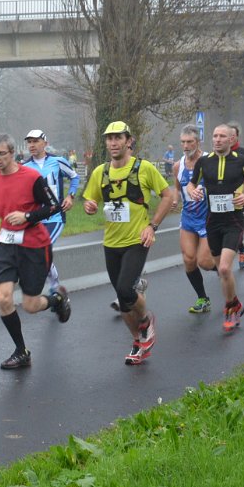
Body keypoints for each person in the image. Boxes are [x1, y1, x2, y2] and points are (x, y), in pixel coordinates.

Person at [0, 134, 71, 369]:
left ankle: (57, 299)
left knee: (30, 305)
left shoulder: (31, 177)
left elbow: (53, 206)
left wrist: (27, 216)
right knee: (3, 297)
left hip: (34, 246)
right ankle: (21, 351)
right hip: (6, 245)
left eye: (1, 154)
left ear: (13, 153)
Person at [82, 121, 176, 364]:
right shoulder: (100, 172)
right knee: (124, 302)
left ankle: (146, 320)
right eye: (109, 138)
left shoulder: (143, 168)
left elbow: (168, 196)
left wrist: (152, 226)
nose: (113, 143)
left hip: (137, 239)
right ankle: (138, 342)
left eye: (118, 138)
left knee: (125, 289)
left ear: (128, 141)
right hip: (111, 242)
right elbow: (90, 202)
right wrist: (89, 207)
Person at [186, 124, 244, 333]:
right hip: (212, 222)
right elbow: (191, 184)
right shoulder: (204, 162)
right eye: (215, 136)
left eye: (222, 136)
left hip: (233, 222)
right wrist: (192, 191)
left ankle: (230, 309)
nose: (218, 139)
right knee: (222, 272)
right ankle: (235, 303)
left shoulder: (242, 161)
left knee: (224, 268)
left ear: (231, 139)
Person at [22, 129, 80, 296]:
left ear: (45, 143)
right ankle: (55, 287)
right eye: (29, 142)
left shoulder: (58, 161)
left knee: (42, 249)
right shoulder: (24, 167)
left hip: (55, 217)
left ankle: (54, 288)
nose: (31, 145)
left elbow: (74, 177)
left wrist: (70, 196)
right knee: (38, 252)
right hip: (35, 219)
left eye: (35, 141)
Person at [172, 124, 217, 313]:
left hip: (208, 217)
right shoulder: (178, 165)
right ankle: (203, 298)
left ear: (198, 141)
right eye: (182, 142)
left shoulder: (210, 160)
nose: (185, 146)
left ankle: (223, 269)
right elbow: (177, 187)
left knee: (205, 262)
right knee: (189, 260)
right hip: (188, 217)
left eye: (189, 142)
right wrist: (175, 199)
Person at [226, 123, 244, 270]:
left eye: (232, 135)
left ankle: (241, 252)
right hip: (221, 196)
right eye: (227, 135)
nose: (230, 138)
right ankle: (242, 248)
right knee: (224, 225)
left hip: (239, 194)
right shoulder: (218, 153)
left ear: (237, 137)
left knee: (235, 225)